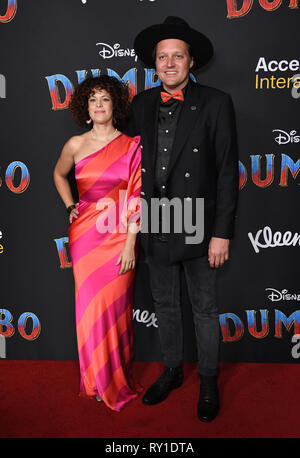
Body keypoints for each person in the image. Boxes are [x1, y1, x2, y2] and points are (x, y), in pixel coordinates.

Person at [126, 17, 238, 421]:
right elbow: (122, 161)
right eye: (162, 57)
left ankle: (208, 379)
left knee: (205, 308)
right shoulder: (139, 105)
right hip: (156, 220)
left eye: (177, 56)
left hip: (199, 222)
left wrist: (221, 234)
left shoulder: (216, 102)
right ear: (153, 64)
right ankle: (172, 370)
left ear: (191, 61)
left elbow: (227, 171)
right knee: (165, 304)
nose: (169, 63)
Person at [53, 75, 142, 412]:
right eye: (93, 100)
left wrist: (131, 244)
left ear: (115, 105)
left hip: (121, 234)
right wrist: (70, 205)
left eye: (105, 99)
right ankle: (93, 380)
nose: (99, 105)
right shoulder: (75, 145)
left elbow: (136, 197)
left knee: (117, 310)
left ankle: (115, 378)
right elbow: (58, 174)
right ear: (85, 108)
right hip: (86, 235)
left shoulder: (133, 145)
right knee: (89, 311)